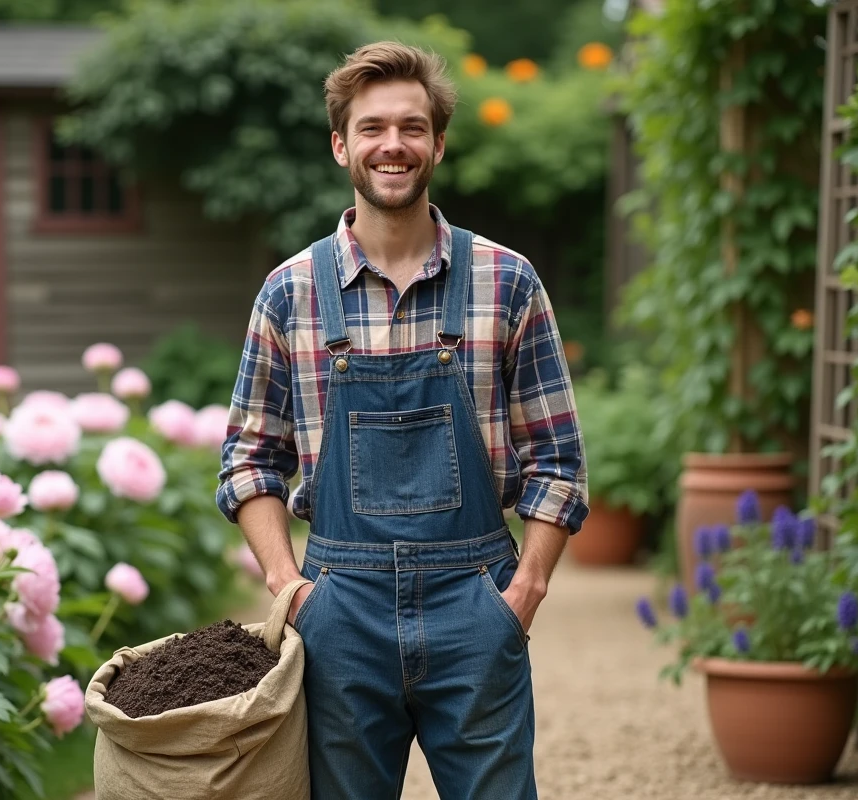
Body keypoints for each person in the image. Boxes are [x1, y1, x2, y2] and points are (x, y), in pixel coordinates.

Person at [216, 40, 588, 800]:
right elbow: (250, 457)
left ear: (438, 143)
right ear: (340, 145)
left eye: (413, 127)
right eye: (373, 128)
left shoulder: (507, 281)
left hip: (475, 602)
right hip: (338, 611)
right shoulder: (290, 292)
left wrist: (521, 598)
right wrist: (290, 587)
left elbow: (559, 458)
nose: (394, 145)